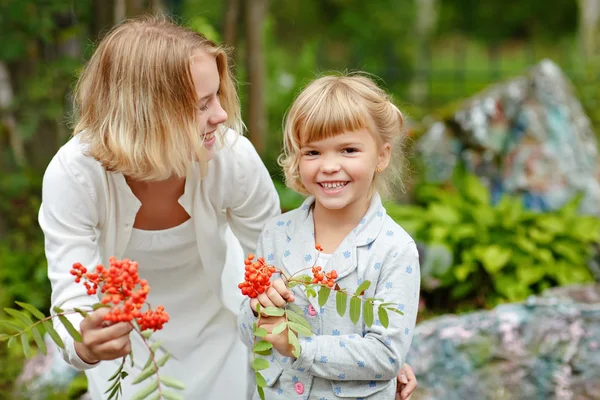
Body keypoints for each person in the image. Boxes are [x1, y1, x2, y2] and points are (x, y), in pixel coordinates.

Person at [38, 15, 418, 399]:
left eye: (218, 96)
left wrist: (366, 358)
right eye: (203, 104)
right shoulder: (75, 176)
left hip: (222, 340)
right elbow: (73, 297)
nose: (220, 115)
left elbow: (283, 272)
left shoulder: (230, 158)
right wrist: (85, 344)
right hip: (127, 355)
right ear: (148, 114)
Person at [237, 74, 421, 399]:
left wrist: (299, 346)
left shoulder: (394, 250)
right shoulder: (277, 234)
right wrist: (256, 311)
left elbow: (386, 355)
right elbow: (248, 333)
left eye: (348, 150)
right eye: (312, 153)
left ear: (382, 155)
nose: (329, 166)